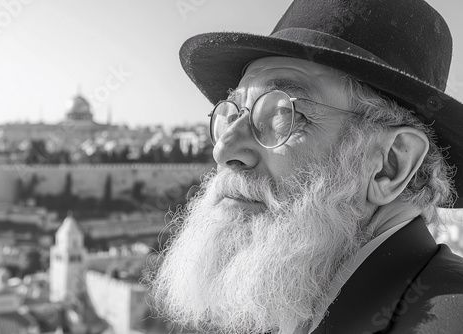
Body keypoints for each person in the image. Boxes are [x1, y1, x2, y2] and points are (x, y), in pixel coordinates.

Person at [148, 1, 463, 333]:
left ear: (390, 165)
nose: (224, 150)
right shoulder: (302, 306)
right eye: (232, 113)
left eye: (283, 115)